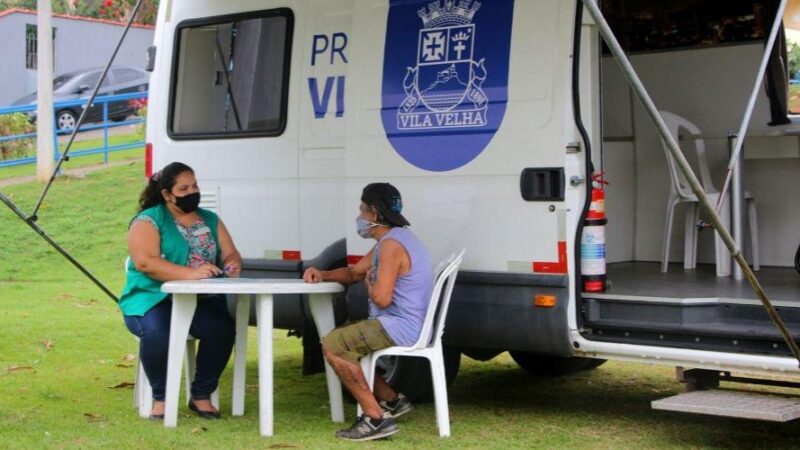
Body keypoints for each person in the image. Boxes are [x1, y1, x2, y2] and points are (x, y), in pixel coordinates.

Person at [304, 183, 434, 441]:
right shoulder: (395, 239)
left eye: (362, 210)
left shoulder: (390, 246)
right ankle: (391, 400)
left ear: (374, 213)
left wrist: (370, 284)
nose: (359, 217)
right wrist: (323, 273)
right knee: (345, 339)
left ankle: (375, 418)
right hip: (408, 323)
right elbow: (353, 272)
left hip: (401, 325)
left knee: (332, 345)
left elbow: (382, 298)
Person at [119, 162, 242, 420]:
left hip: (199, 300)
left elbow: (230, 252)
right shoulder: (148, 220)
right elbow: (145, 262)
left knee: (222, 328)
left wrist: (232, 263)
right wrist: (190, 273)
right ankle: (161, 398)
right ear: (167, 194)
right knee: (157, 331)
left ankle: (201, 395)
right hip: (152, 299)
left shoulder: (209, 219)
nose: (192, 192)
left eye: (195, 186)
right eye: (183, 188)